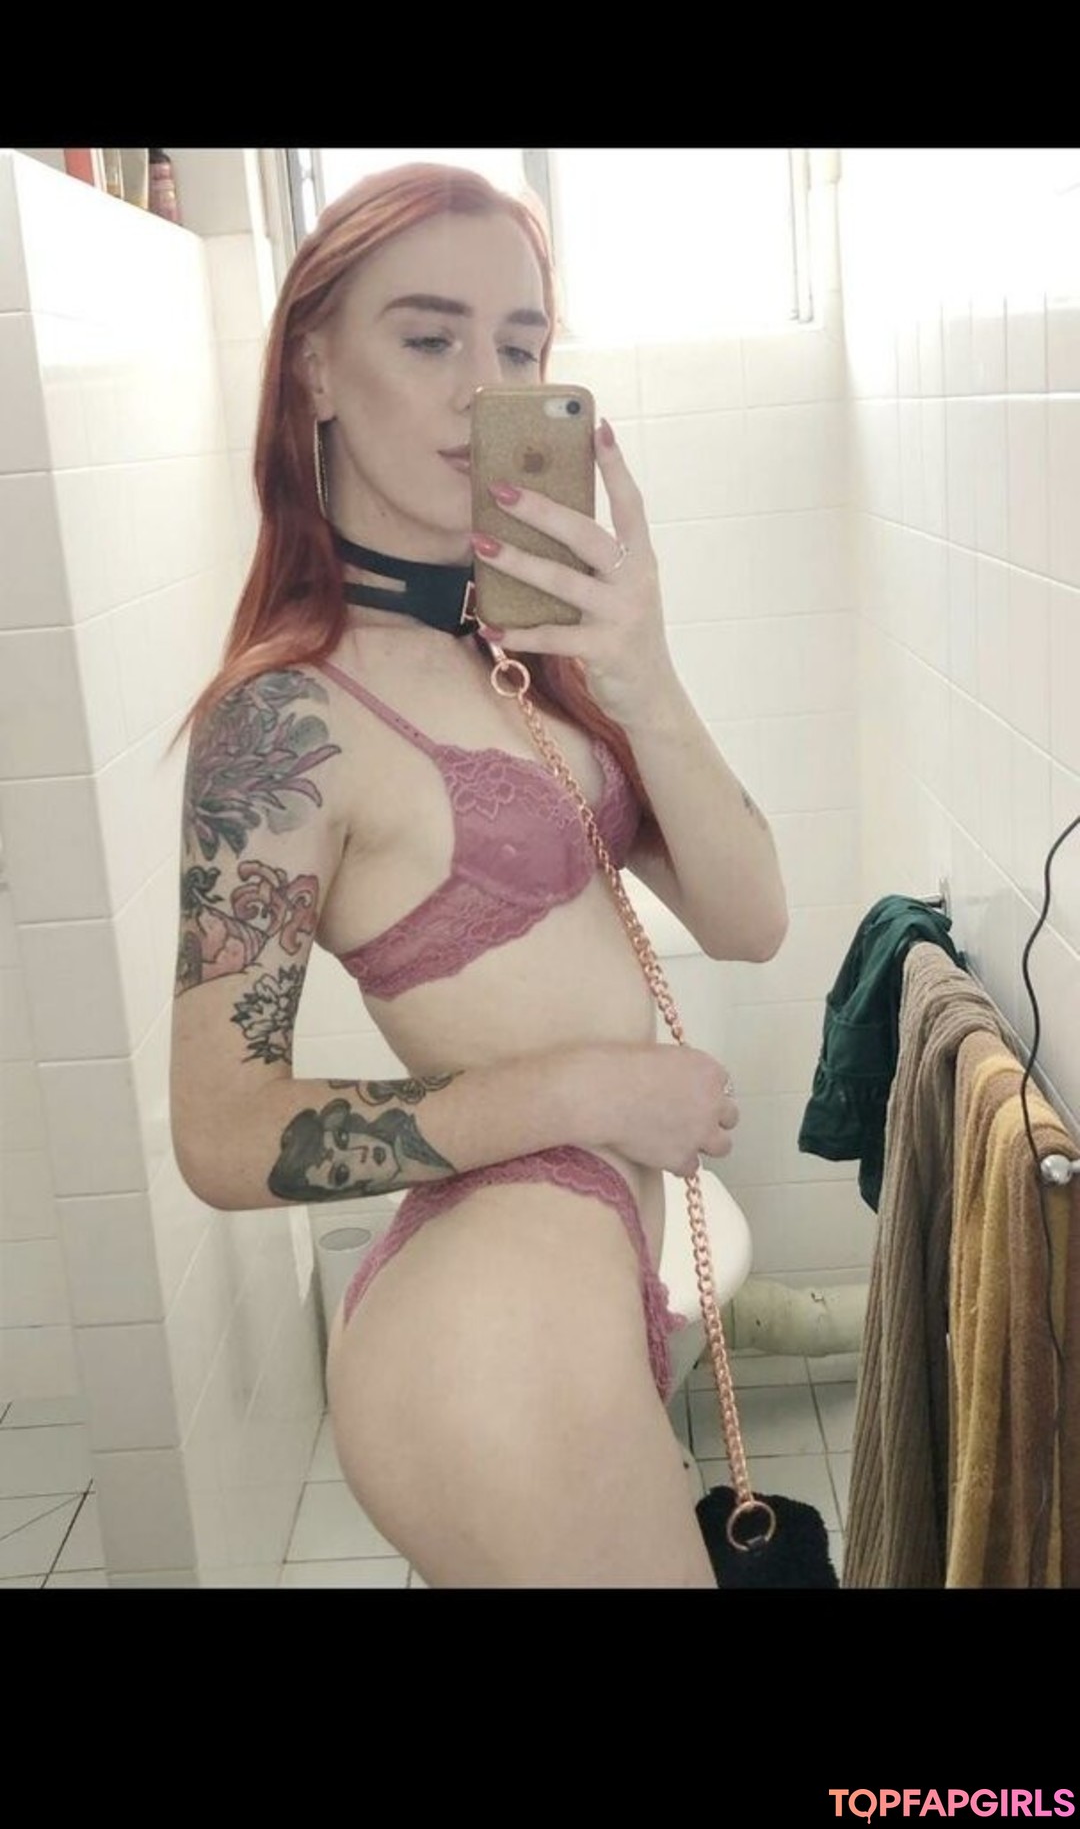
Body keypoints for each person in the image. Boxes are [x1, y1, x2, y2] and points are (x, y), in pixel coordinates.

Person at [169, 161, 789, 1588]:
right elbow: (219, 1130)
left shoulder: (523, 649)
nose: (484, 388)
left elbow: (752, 918)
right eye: (429, 337)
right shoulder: (287, 715)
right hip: (489, 1332)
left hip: (584, 1268)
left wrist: (644, 671)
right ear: (315, 366)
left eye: (519, 346)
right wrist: (588, 1091)